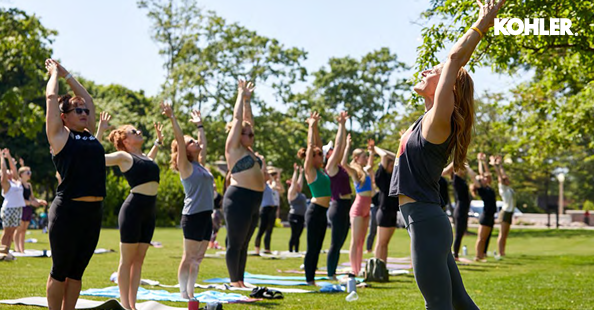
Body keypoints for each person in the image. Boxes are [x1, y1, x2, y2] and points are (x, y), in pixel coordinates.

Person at [388, 1, 504, 307]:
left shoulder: (440, 120)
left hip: (425, 219)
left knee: (438, 304)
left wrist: (483, 21)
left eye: (436, 71)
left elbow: (455, 58)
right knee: (460, 302)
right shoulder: (425, 121)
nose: (427, 69)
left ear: (449, 88)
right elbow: (453, 61)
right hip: (426, 219)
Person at [44, 59, 106, 310]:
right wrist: (54, 75)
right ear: (64, 117)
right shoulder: (60, 136)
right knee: (60, 270)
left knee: (77, 272)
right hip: (67, 211)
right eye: (78, 111)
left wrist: (69, 74)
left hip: (93, 213)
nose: (84, 113)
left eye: (85, 112)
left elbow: (88, 99)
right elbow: (51, 98)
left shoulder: (90, 134)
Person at [95, 110, 163, 309]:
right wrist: (100, 129)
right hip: (133, 210)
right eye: (134, 131)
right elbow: (95, 156)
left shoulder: (144, 157)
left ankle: (133, 304)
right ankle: (125, 305)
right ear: (125, 140)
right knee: (127, 261)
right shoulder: (122, 156)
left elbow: (147, 162)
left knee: (139, 261)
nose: (139, 131)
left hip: (149, 212)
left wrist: (158, 142)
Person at [161, 102, 213, 299]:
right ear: (185, 149)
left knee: (198, 258)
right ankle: (183, 292)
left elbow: (203, 144)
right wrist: (172, 118)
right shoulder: (186, 166)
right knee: (189, 256)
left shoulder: (201, 166)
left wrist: (200, 125)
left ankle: (191, 292)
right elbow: (179, 139)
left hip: (207, 215)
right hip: (192, 216)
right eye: (192, 143)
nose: (197, 144)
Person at [223, 80, 265, 288]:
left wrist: (248, 100)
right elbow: (239, 119)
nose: (250, 135)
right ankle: (233, 282)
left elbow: (248, 120)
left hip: (254, 200)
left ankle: (240, 280)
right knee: (235, 242)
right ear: (236, 133)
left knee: (245, 243)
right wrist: (240, 94)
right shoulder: (233, 148)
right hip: (238, 198)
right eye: (245, 133)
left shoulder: (249, 151)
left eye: (251, 134)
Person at [299, 111, 332, 285]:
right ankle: (309, 278)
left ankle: (311, 277)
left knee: (318, 247)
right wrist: (311, 127)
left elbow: (317, 145)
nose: (322, 155)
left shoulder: (320, 170)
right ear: (312, 157)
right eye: (318, 154)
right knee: (312, 247)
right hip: (314, 211)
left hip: (323, 211)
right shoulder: (310, 171)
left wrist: (316, 126)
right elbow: (312, 145)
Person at [342, 136, 375, 276]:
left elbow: (371, 165)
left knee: (361, 241)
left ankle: (359, 269)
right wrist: (347, 145)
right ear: (356, 158)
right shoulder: (355, 172)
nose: (366, 158)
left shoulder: (365, 171)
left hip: (367, 207)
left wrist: (372, 151)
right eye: (363, 156)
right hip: (358, 206)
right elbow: (343, 163)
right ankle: (354, 270)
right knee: (355, 241)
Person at [324, 111, 350, 279]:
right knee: (335, 243)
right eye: (331, 150)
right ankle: (330, 273)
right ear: (328, 154)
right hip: (338, 206)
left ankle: (332, 271)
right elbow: (339, 147)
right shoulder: (330, 167)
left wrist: (347, 142)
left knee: (340, 242)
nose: (334, 150)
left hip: (345, 206)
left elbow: (343, 151)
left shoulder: (339, 166)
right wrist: (341, 125)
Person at [372, 145, 399, 263]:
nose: (393, 167)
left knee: (385, 243)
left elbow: (397, 157)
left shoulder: (394, 177)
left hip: (393, 211)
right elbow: (383, 156)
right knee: (380, 242)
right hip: (384, 211)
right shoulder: (381, 176)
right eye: (391, 165)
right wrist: (375, 148)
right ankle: (376, 266)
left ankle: (383, 267)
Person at [14, 165, 48, 253]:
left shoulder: (29, 185)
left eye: (30, 172)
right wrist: (30, 203)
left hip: (28, 209)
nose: (30, 174)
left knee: (24, 230)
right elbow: (19, 199)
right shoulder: (18, 184)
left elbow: (32, 198)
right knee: (19, 229)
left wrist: (40, 201)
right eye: (28, 173)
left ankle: (22, 249)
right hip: (21, 208)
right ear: (21, 174)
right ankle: (17, 248)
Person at [472, 153, 496, 262]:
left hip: (491, 216)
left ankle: (482, 255)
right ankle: (478, 256)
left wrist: (483, 161)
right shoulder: (481, 189)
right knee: (481, 238)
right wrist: (479, 162)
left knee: (485, 238)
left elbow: (487, 174)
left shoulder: (488, 187)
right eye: (483, 178)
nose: (486, 178)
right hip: (485, 216)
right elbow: (479, 175)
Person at [1, 149, 24, 259]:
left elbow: (14, 169)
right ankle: (2, 252)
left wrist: (9, 156)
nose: (10, 172)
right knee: (6, 232)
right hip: (9, 209)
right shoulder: (6, 183)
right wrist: (1, 158)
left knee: (12, 232)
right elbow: (4, 170)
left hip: (18, 208)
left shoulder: (17, 181)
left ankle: (7, 252)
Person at [493, 155, 514, 256]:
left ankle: (503, 252)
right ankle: (500, 252)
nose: (507, 179)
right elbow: (500, 176)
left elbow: (503, 175)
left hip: (510, 212)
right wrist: (496, 166)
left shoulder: (509, 188)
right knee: (502, 234)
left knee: (505, 234)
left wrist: (500, 165)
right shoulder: (503, 189)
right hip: (505, 212)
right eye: (505, 179)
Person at [254, 172, 278, 255]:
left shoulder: (268, 185)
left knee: (269, 230)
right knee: (261, 230)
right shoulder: (263, 184)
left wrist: (271, 179)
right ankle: (257, 249)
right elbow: (262, 170)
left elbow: (274, 187)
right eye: (267, 174)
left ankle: (267, 248)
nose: (269, 175)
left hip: (271, 209)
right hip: (265, 209)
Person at [287, 164, 307, 253]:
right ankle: (291, 250)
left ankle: (296, 251)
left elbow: (299, 182)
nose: (298, 185)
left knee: (298, 234)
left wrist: (301, 173)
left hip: (301, 216)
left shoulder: (300, 193)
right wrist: (295, 172)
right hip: (294, 216)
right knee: (294, 234)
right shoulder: (292, 193)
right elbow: (295, 183)